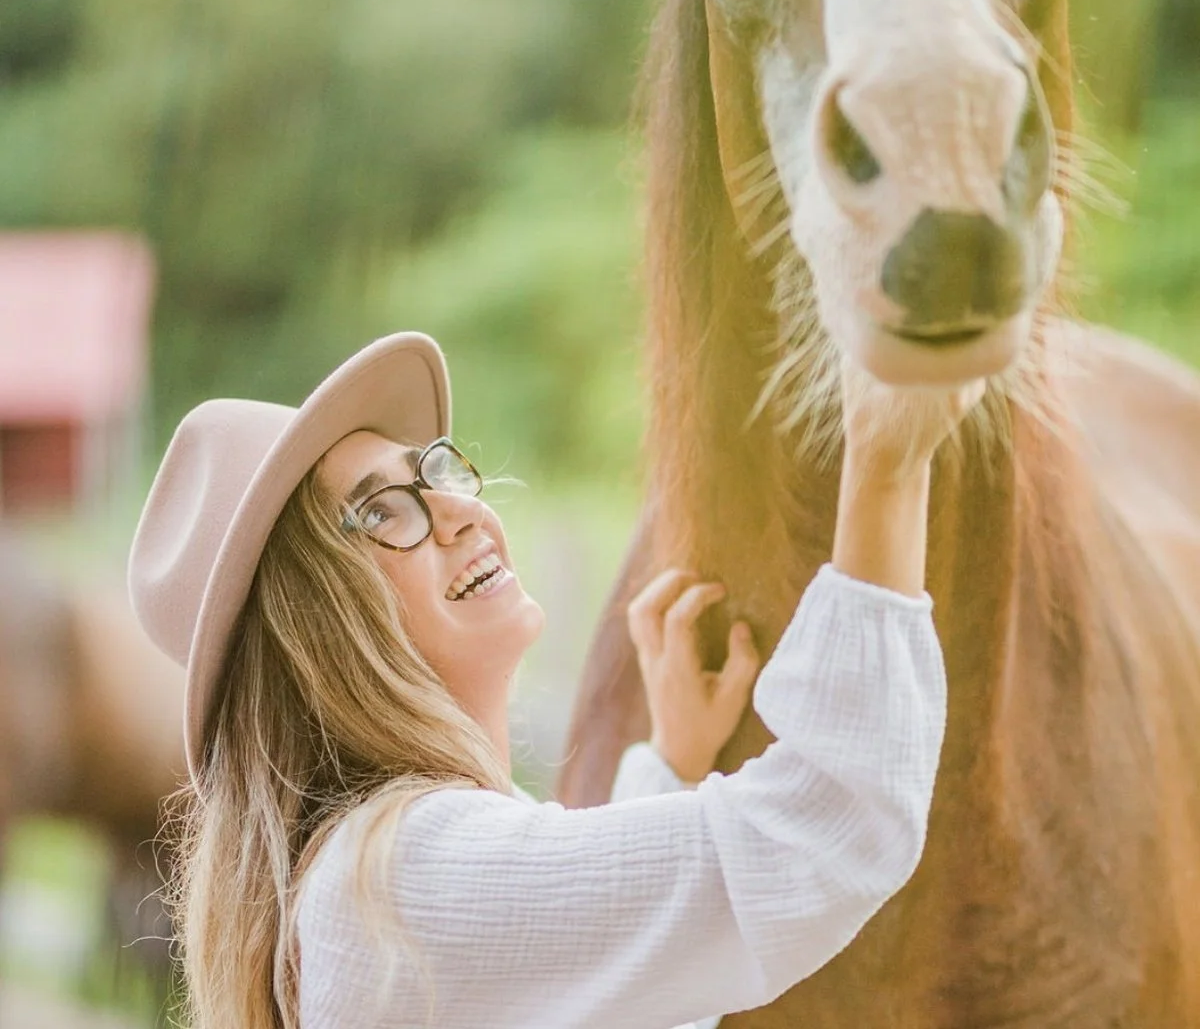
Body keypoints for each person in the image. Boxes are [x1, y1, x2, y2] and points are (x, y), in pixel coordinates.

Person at [129, 332, 979, 1029]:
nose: (461, 510)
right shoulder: (395, 881)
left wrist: (671, 766)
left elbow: (598, 983)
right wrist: (889, 460)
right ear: (316, 636)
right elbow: (829, 827)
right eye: (380, 512)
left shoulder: (374, 891)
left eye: (431, 471)